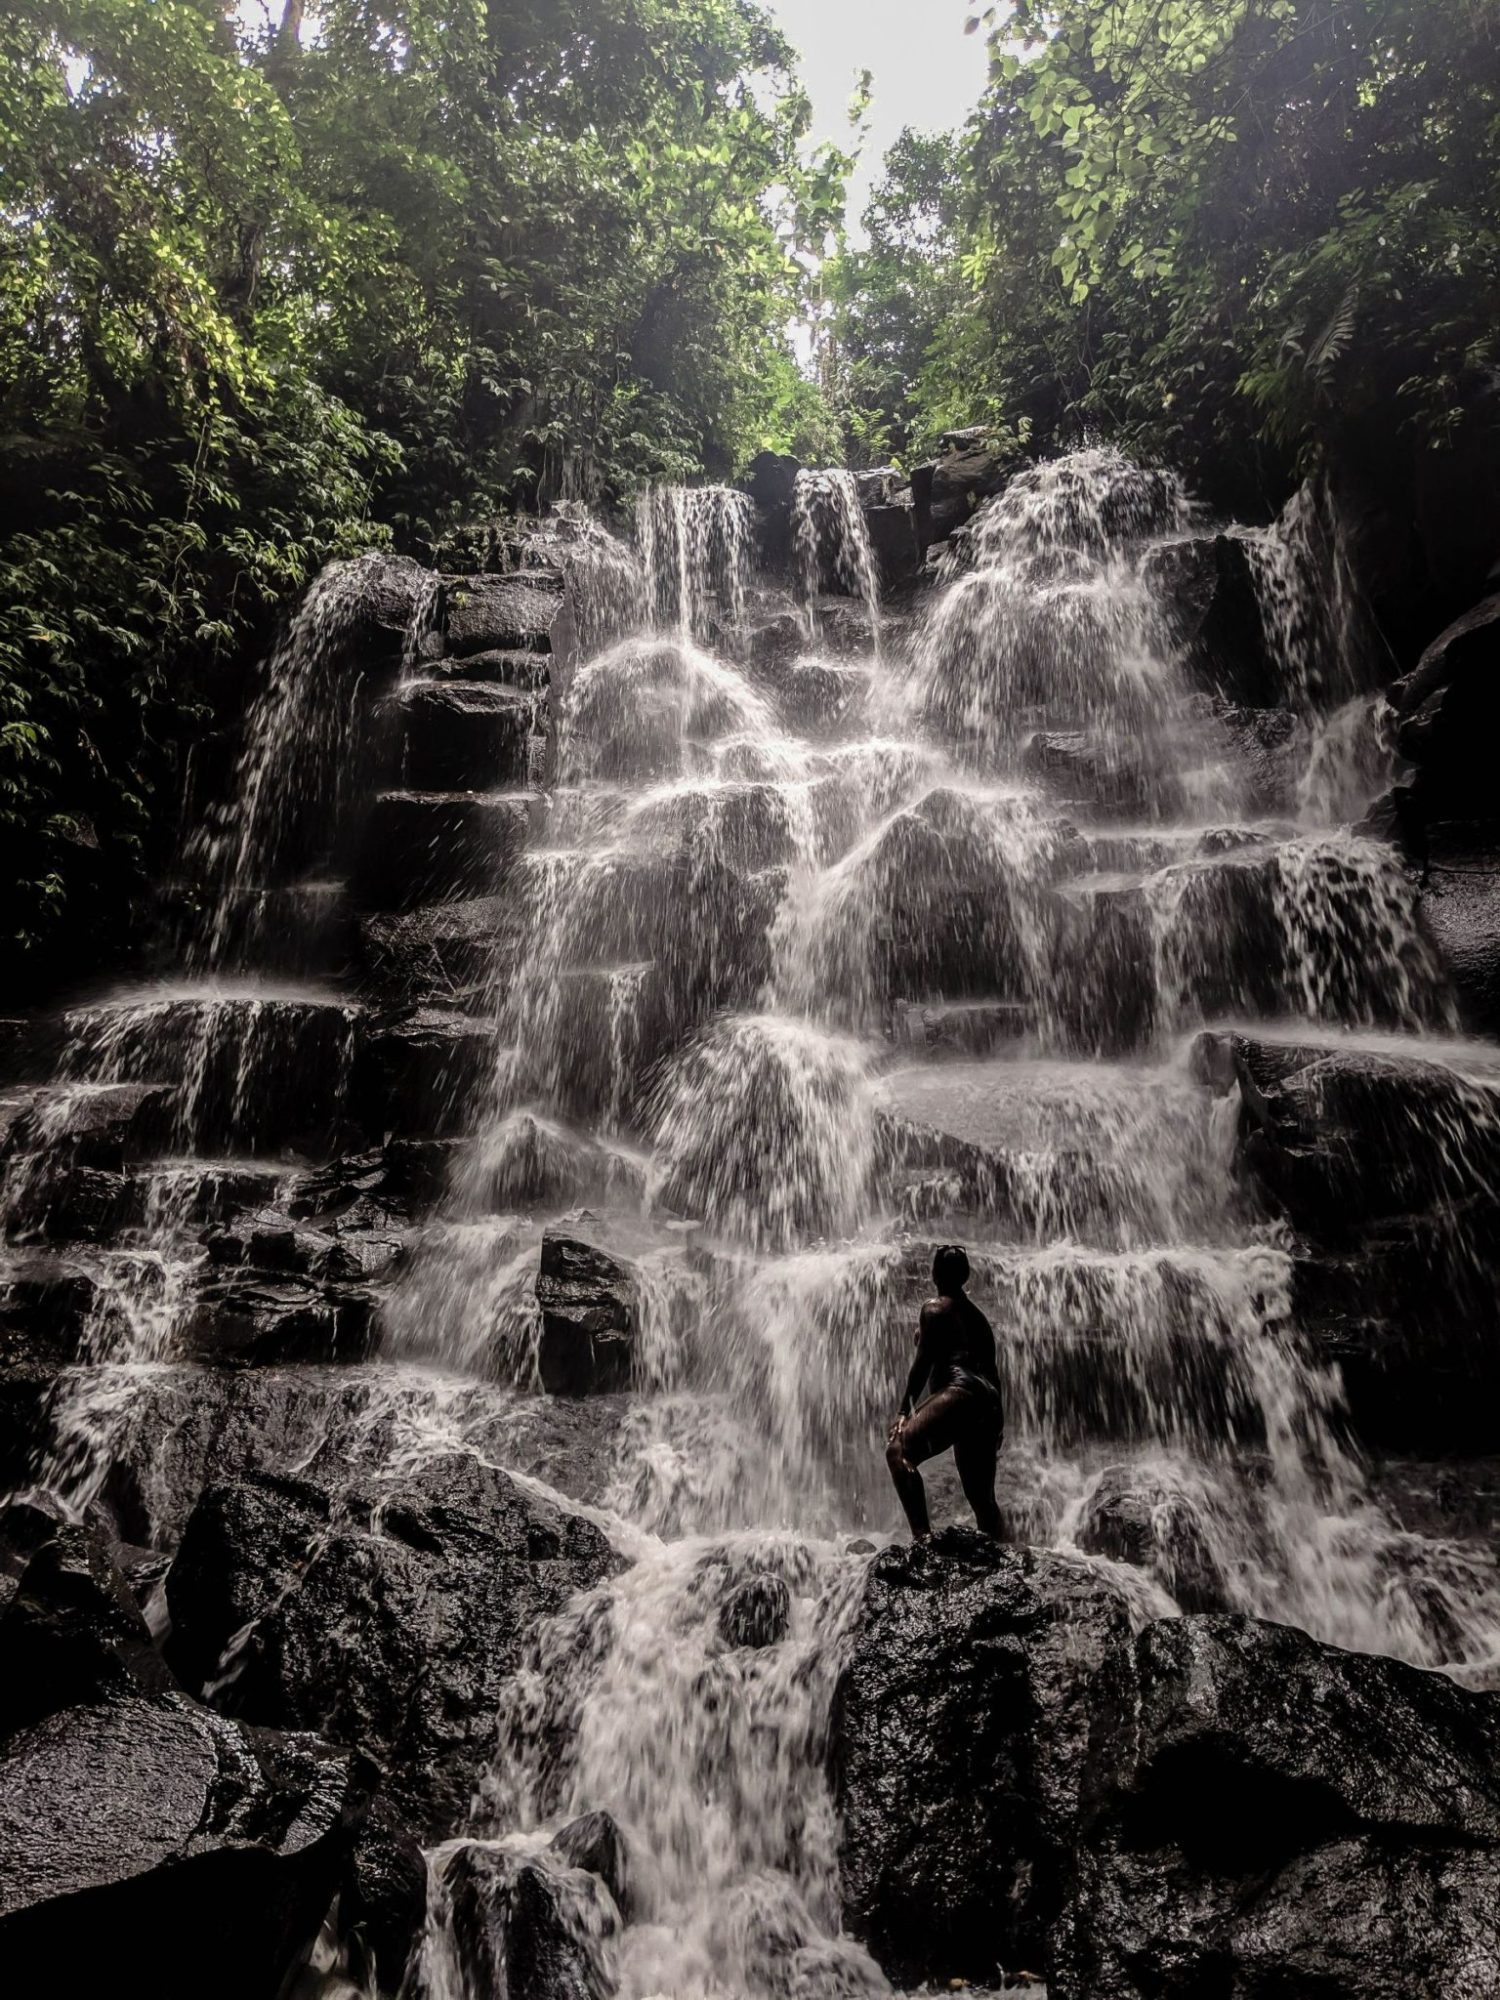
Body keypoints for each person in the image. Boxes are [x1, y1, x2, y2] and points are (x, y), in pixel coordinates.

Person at [886, 1244, 1003, 1543]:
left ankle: (922, 1542)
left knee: (899, 1451)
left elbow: (922, 1366)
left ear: (935, 1272)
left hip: (960, 1392)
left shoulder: (934, 1308)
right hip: (987, 1403)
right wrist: (998, 1424)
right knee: (982, 1498)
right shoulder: (979, 1320)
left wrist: (903, 1411)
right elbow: (992, 1375)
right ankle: (1004, 1555)